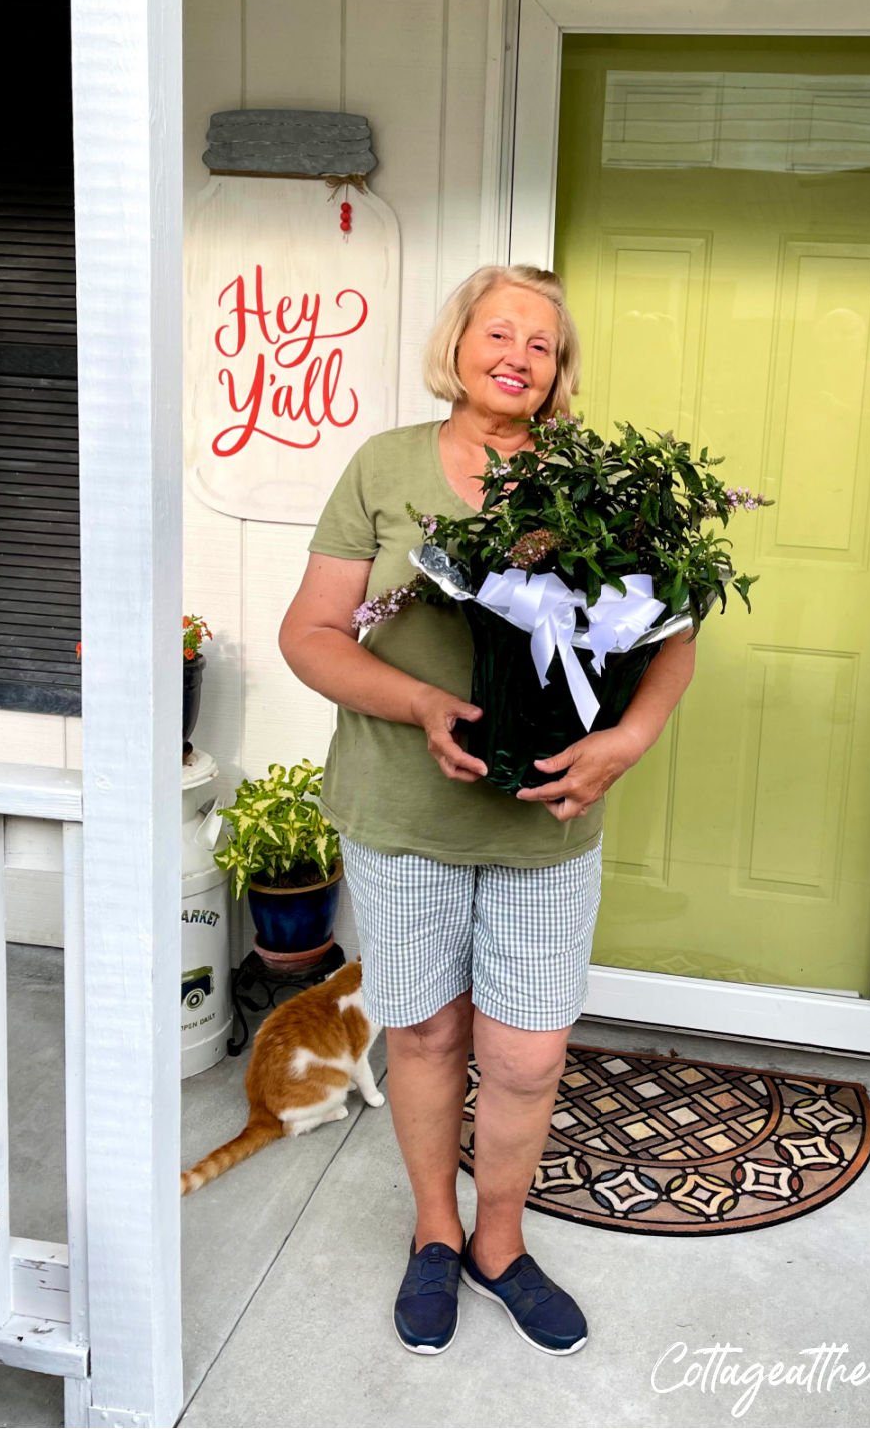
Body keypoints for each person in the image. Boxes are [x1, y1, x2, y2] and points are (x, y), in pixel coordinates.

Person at [279, 264, 697, 1357]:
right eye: (496, 330)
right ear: (457, 344)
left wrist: (626, 741)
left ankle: (499, 1245)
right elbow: (312, 634)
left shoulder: (597, 486)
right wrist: (420, 702)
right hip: (402, 811)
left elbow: (674, 636)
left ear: (560, 372)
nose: (517, 354)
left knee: (523, 1056)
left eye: (542, 343)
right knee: (424, 1034)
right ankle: (433, 1233)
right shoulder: (385, 465)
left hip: (544, 821)